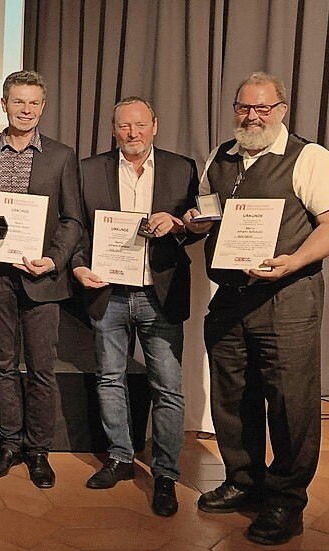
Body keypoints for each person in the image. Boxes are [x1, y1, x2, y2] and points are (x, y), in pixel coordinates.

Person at [184, 72, 329, 545]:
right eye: (243, 107)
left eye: (262, 108)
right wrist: (194, 223)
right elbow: (206, 217)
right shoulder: (220, 156)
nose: (251, 117)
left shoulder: (309, 157)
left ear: (281, 110)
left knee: (290, 402)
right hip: (230, 297)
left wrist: (293, 260)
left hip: (287, 298)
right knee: (232, 396)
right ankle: (243, 479)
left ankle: (286, 498)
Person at [73, 97, 199, 516]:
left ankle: (165, 474)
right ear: (114, 129)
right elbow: (74, 227)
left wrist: (179, 224)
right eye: (124, 126)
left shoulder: (182, 169)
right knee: (110, 379)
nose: (133, 133)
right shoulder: (89, 170)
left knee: (168, 388)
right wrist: (76, 267)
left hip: (158, 294)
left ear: (155, 125)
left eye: (140, 125)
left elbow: (198, 226)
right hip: (108, 293)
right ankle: (121, 457)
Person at [0, 70, 84, 489]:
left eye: (34, 103)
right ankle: (9, 446)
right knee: (2, 364)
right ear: (4, 104)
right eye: (19, 102)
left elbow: (73, 219)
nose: (26, 109)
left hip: (42, 279)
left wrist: (53, 261)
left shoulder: (61, 155)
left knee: (41, 369)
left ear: (43, 107)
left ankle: (39, 451)